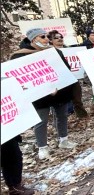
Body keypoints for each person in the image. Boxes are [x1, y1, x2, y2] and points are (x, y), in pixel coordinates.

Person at [10, 28, 78, 160]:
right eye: (42, 37)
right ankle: (42, 147)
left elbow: (65, 70)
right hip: (39, 96)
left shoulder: (55, 52)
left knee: (62, 116)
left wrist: (58, 85)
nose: (46, 39)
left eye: (47, 36)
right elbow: (19, 78)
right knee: (41, 121)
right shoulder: (20, 56)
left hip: (59, 92)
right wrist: (44, 89)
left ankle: (63, 140)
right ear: (33, 39)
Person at [47, 30, 89, 118]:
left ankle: (81, 115)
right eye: (56, 38)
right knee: (62, 101)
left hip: (74, 77)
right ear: (50, 40)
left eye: (61, 37)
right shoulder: (48, 53)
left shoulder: (71, 50)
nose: (59, 39)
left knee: (77, 97)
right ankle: (65, 115)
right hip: (59, 80)